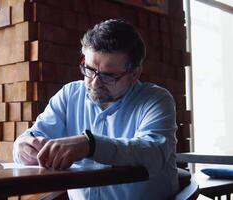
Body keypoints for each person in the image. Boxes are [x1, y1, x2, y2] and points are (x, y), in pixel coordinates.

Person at [13, 19, 179, 200]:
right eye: (90, 69)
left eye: (108, 76)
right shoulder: (70, 95)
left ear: (134, 74)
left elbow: (153, 153)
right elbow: (30, 137)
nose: (94, 82)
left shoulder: (156, 99)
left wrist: (90, 145)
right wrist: (23, 147)